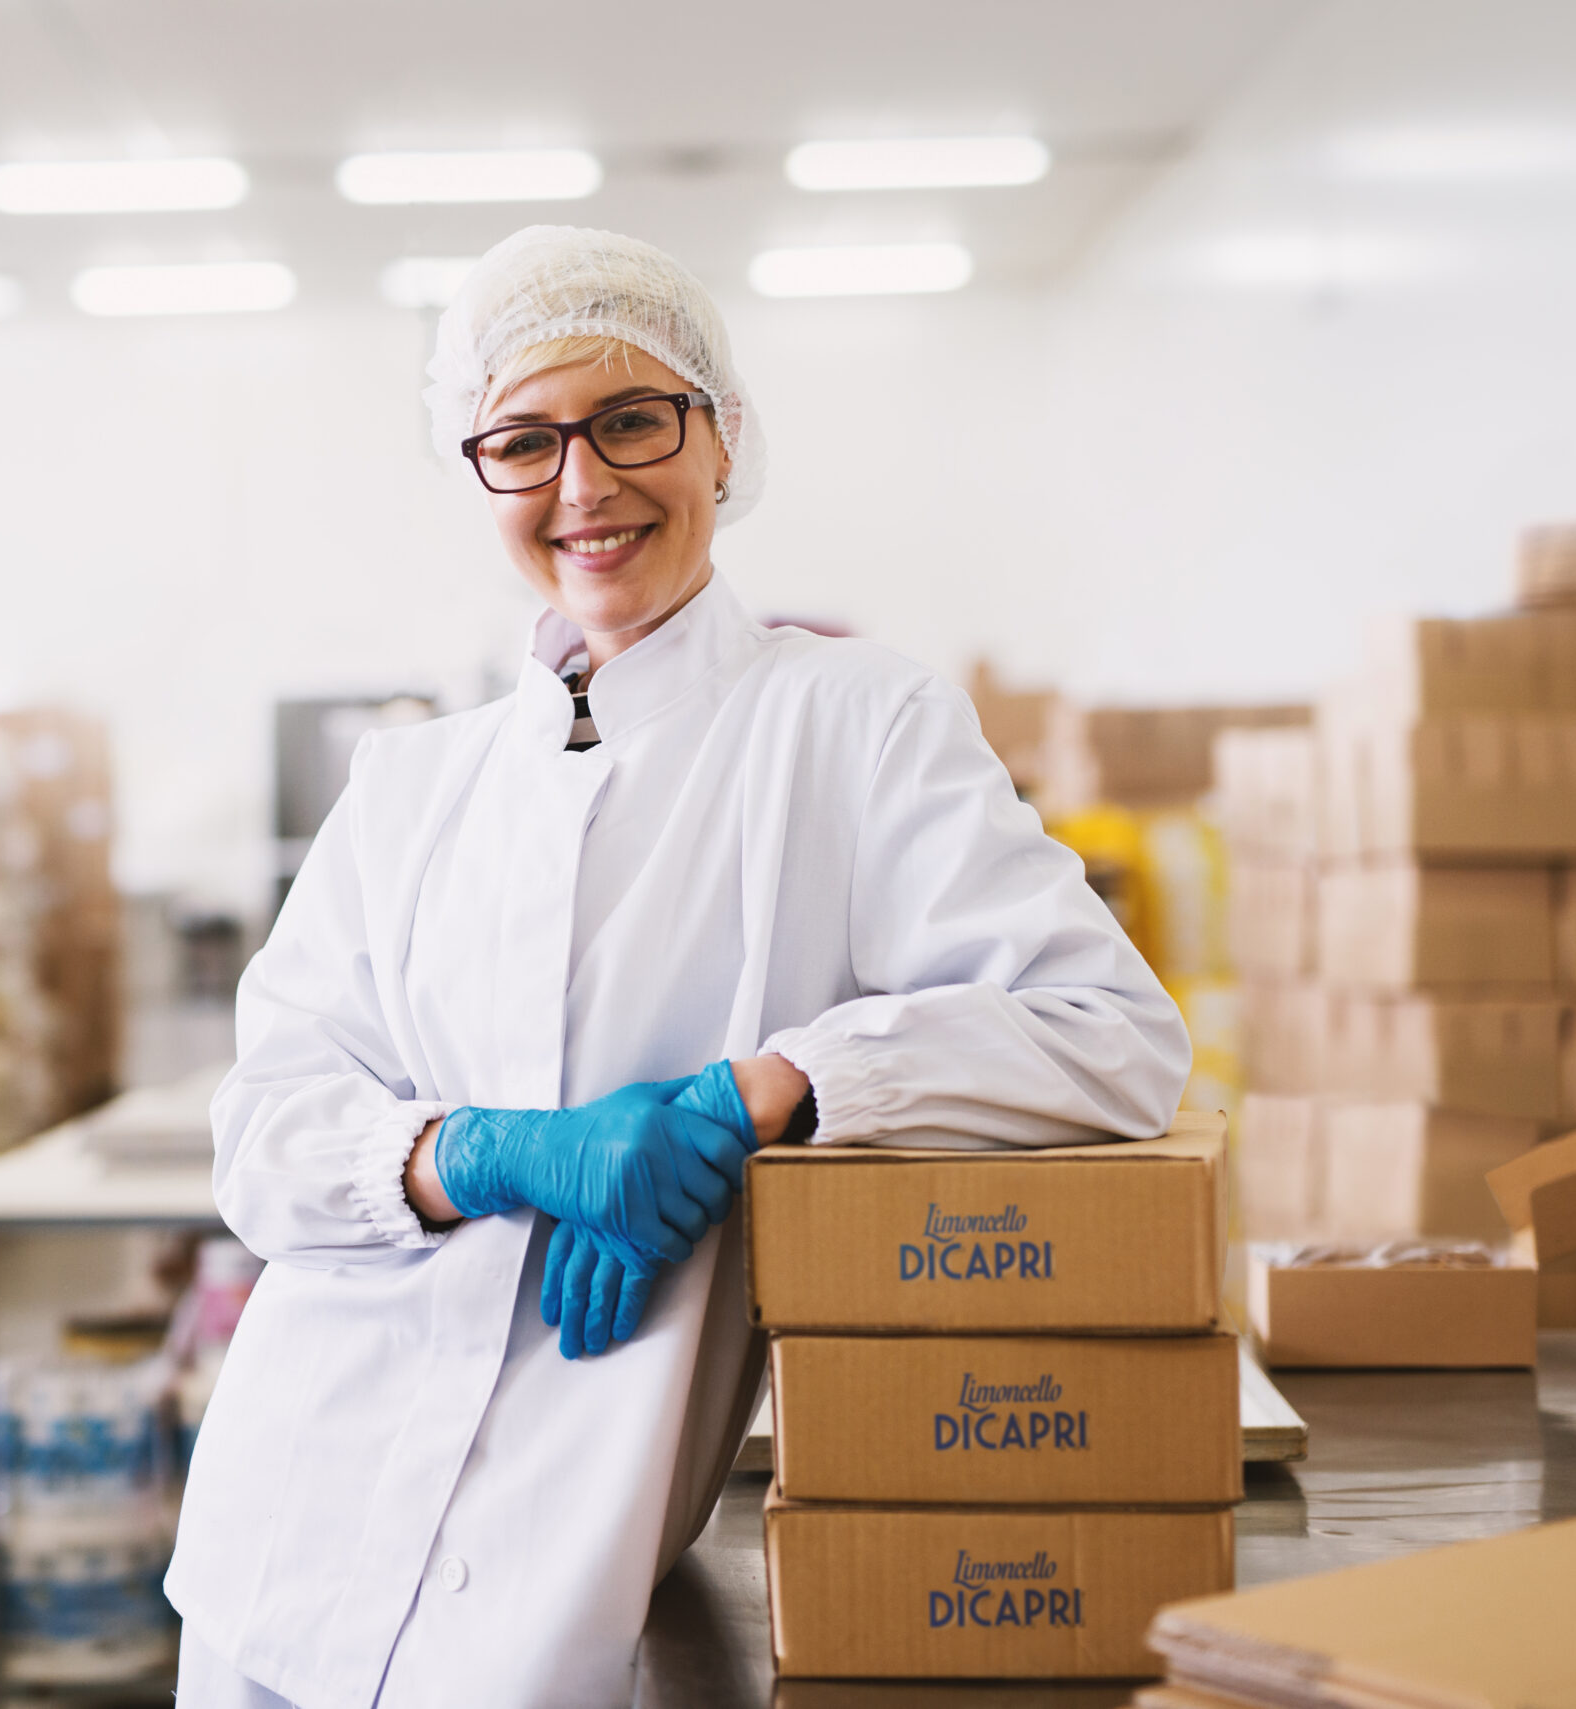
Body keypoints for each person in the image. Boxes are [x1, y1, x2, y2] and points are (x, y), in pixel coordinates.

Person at [165, 225, 1190, 1709]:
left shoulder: (851, 722)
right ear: (481, 472)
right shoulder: (410, 787)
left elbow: (1109, 1037)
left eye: (634, 418)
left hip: (556, 1601)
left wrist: (760, 1089)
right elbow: (263, 1143)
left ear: (721, 437)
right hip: (279, 1558)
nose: (584, 485)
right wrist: (490, 1151)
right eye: (523, 440)